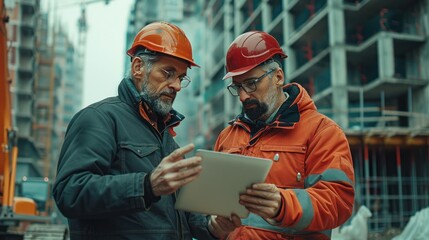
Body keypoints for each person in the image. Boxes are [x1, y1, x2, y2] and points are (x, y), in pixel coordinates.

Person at [52, 21, 240, 240]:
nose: (177, 86)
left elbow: (186, 217)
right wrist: (146, 186)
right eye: (168, 73)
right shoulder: (99, 119)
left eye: (180, 77)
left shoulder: (168, 141)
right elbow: (70, 192)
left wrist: (215, 228)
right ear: (138, 67)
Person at [214, 31, 355, 239]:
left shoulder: (322, 132)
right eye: (237, 87)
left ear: (278, 77)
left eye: (251, 83)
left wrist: (283, 204)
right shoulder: (227, 136)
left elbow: (338, 201)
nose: (243, 95)